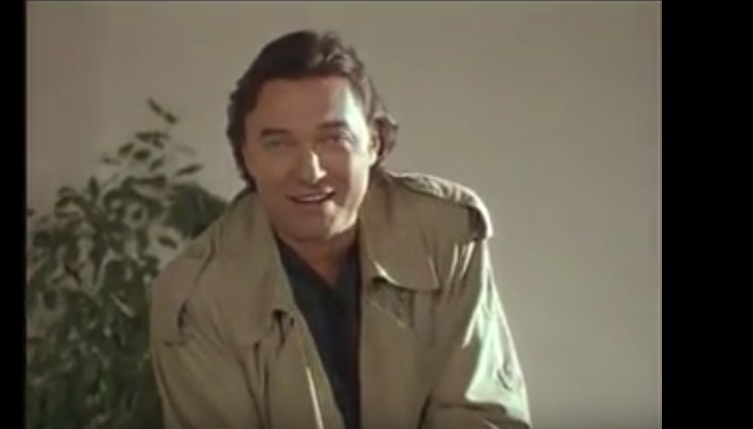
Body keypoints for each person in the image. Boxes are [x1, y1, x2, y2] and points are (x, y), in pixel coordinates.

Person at [148, 29, 532, 429]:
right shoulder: (196, 297)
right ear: (247, 157)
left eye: (333, 139)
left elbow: (483, 415)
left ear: (374, 143)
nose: (310, 172)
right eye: (279, 144)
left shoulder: (442, 235)